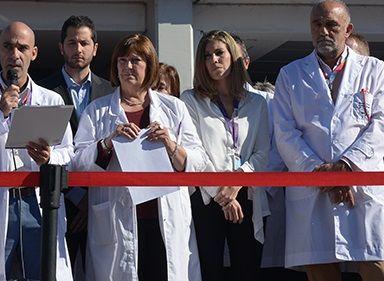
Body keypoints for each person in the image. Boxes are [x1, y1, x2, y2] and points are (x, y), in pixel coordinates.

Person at [271, 0, 384, 281]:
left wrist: (346, 168)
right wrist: (322, 174)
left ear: (347, 30)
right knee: (321, 271)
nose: (323, 31)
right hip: (313, 187)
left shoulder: (373, 69)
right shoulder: (290, 74)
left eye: (331, 25)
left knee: (378, 270)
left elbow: (383, 124)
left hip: (360, 186)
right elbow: (285, 132)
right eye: (317, 24)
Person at [72, 34, 208, 281]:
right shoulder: (97, 110)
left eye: (135, 60)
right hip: (116, 218)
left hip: (164, 217)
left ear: (150, 65)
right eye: (122, 61)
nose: (127, 67)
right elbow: (77, 163)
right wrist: (107, 142)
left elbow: (199, 162)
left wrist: (170, 144)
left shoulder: (173, 108)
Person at [0, 21, 74, 281]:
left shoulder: (51, 99)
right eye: (8, 47)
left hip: (36, 202)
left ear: (34, 53)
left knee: (42, 273)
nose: (14, 54)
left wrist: (49, 157)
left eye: (22, 48)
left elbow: (68, 153)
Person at [181, 30, 269, 281]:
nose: (213, 60)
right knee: (209, 270)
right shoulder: (191, 100)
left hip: (248, 195)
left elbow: (263, 152)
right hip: (208, 197)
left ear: (233, 56)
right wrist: (224, 195)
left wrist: (237, 181)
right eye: (207, 55)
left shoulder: (257, 103)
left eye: (219, 53)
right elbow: (196, 152)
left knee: (247, 269)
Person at [38, 15, 113, 276]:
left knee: (102, 272)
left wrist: (89, 198)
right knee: (56, 272)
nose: (78, 49)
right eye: (72, 43)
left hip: (100, 199)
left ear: (95, 48)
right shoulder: (44, 90)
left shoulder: (110, 92)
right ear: (61, 47)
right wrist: (77, 197)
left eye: (84, 43)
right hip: (56, 199)